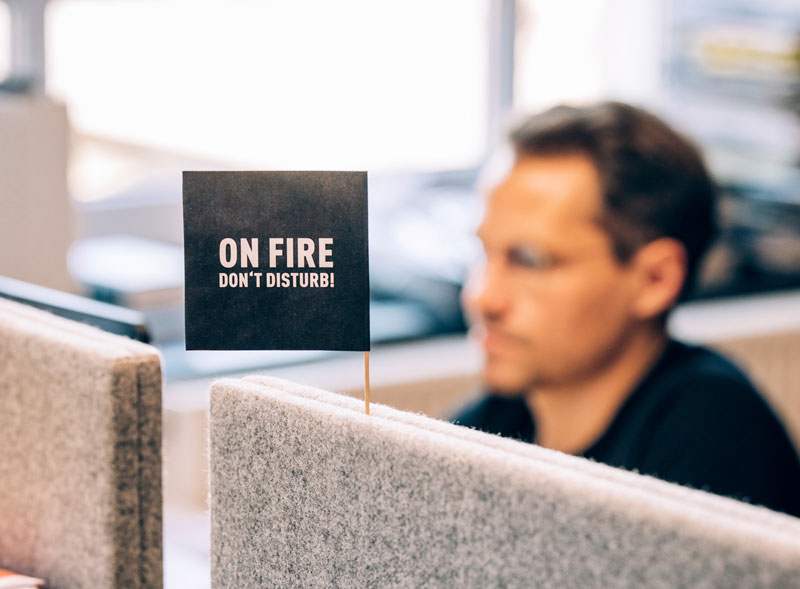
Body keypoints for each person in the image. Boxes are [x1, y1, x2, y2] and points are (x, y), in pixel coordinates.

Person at [453, 101, 800, 517]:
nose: (482, 297)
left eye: (530, 260)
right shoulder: (492, 422)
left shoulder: (717, 443)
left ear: (655, 279)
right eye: (483, 251)